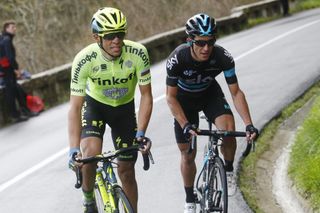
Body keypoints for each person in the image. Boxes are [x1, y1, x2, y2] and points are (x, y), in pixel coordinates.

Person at [165, 13, 259, 213]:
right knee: (188, 154)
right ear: (189, 40)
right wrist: (185, 124)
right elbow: (170, 98)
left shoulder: (222, 57)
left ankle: (228, 169)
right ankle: (190, 199)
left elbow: (235, 92)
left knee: (229, 131)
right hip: (184, 102)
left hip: (209, 95)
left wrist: (249, 123)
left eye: (210, 42)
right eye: (200, 43)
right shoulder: (177, 59)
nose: (206, 48)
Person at [68, 7, 153, 213]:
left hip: (123, 110)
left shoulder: (138, 53)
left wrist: (141, 133)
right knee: (90, 156)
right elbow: (75, 107)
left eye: (121, 34)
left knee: (127, 171)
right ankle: (89, 199)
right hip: (95, 107)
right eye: (110, 36)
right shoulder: (84, 59)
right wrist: (73, 149)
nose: (117, 41)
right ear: (97, 37)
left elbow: (147, 96)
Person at [0, 21, 35, 123]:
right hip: (7, 69)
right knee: (10, 92)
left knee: (16, 89)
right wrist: (15, 69)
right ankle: (15, 115)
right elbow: (9, 56)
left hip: (5, 69)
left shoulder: (4, 38)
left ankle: (23, 111)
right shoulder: (6, 40)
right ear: (6, 29)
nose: (14, 29)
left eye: (15, 27)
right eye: (12, 27)